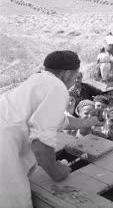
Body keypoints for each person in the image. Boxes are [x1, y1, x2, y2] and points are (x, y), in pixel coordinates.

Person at [0, 50, 102, 207]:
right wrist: (57, 172)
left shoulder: (38, 80)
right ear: (67, 74)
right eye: (76, 76)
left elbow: (59, 120)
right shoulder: (58, 87)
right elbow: (40, 146)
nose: (75, 80)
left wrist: (88, 122)